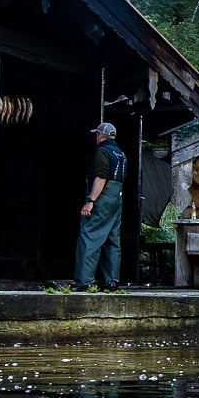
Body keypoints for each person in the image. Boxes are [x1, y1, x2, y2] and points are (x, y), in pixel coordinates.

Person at [72, 122, 129, 290]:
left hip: (102, 198)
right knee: (112, 239)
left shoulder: (102, 152)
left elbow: (101, 177)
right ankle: (111, 280)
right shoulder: (121, 154)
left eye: (96, 134)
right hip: (116, 198)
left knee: (89, 236)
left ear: (100, 136)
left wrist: (91, 201)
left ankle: (85, 282)